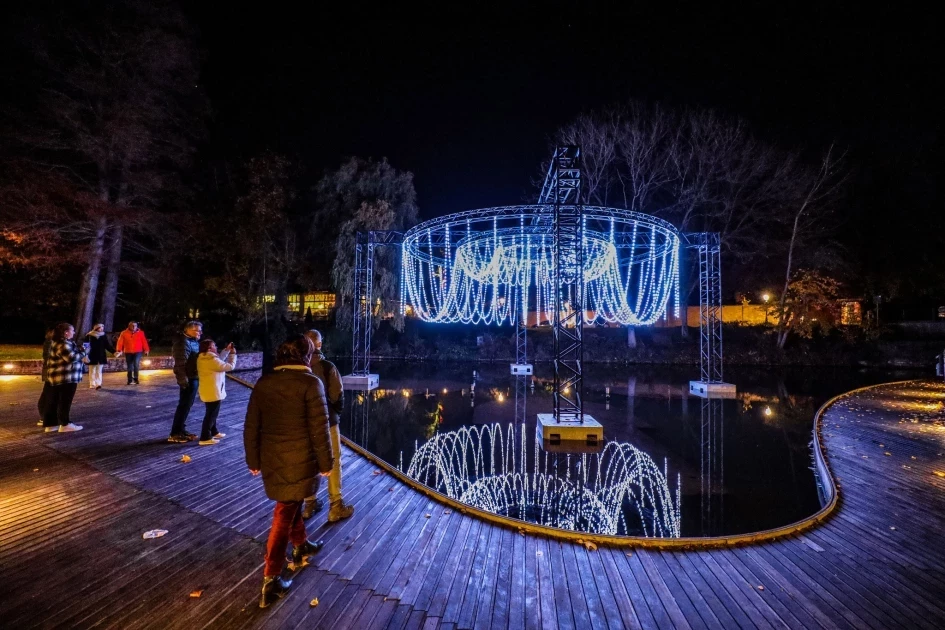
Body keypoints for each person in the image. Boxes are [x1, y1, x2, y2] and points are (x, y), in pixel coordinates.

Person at [244, 335, 330, 609]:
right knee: (285, 511)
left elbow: (251, 425)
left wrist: (253, 458)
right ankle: (271, 578)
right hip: (301, 458)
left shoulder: (264, 382)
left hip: (273, 458)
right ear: (305, 356)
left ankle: (301, 544)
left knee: (289, 503)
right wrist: (327, 463)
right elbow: (320, 428)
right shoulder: (310, 383)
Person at [301, 329, 353, 522]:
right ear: (320, 344)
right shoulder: (327, 367)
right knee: (333, 460)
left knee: (310, 461)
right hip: (327, 423)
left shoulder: (298, 368)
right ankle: (336, 504)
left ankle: (309, 503)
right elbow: (338, 396)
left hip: (305, 424)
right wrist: (334, 415)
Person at [42, 322, 88, 433]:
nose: (74, 332)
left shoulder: (60, 343)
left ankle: (51, 424)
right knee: (64, 401)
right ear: (66, 333)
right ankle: (65, 423)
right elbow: (71, 358)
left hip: (59, 377)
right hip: (66, 377)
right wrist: (84, 353)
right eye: (72, 330)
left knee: (54, 400)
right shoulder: (63, 344)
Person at [196, 338, 236, 445]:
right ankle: (205, 438)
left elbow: (219, 361)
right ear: (209, 348)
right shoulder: (211, 360)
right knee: (211, 414)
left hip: (208, 390)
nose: (216, 347)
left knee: (211, 412)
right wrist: (232, 355)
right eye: (214, 346)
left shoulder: (204, 358)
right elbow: (229, 366)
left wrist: (227, 350)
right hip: (213, 391)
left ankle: (213, 431)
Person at [168, 321, 203, 443]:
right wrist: (183, 381)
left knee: (187, 405)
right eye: (197, 330)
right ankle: (175, 433)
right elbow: (180, 365)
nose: (200, 333)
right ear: (188, 330)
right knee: (183, 405)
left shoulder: (193, 341)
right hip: (188, 380)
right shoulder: (183, 343)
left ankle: (181, 429)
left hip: (193, 377)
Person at [84, 324, 115, 390]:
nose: (102, 329)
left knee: (99, 371)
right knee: (92, 370)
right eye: (100, 328)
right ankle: (92, 384)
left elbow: (107, 345)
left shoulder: (103, 335)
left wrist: (114, 352)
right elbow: (85, 346)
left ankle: (98, 384)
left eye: (102, 327)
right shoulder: (89, 335)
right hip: (92, 355)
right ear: (96, 328)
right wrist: (85, 354)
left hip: (101, 355)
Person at [37, 328, 54, 426]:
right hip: (50, 372)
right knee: (47, 394)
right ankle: (44, 417)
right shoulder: (49, 342)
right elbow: (47, 357)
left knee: (48, 393)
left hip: (51, 372)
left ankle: (46, 416)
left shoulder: (51, 342)